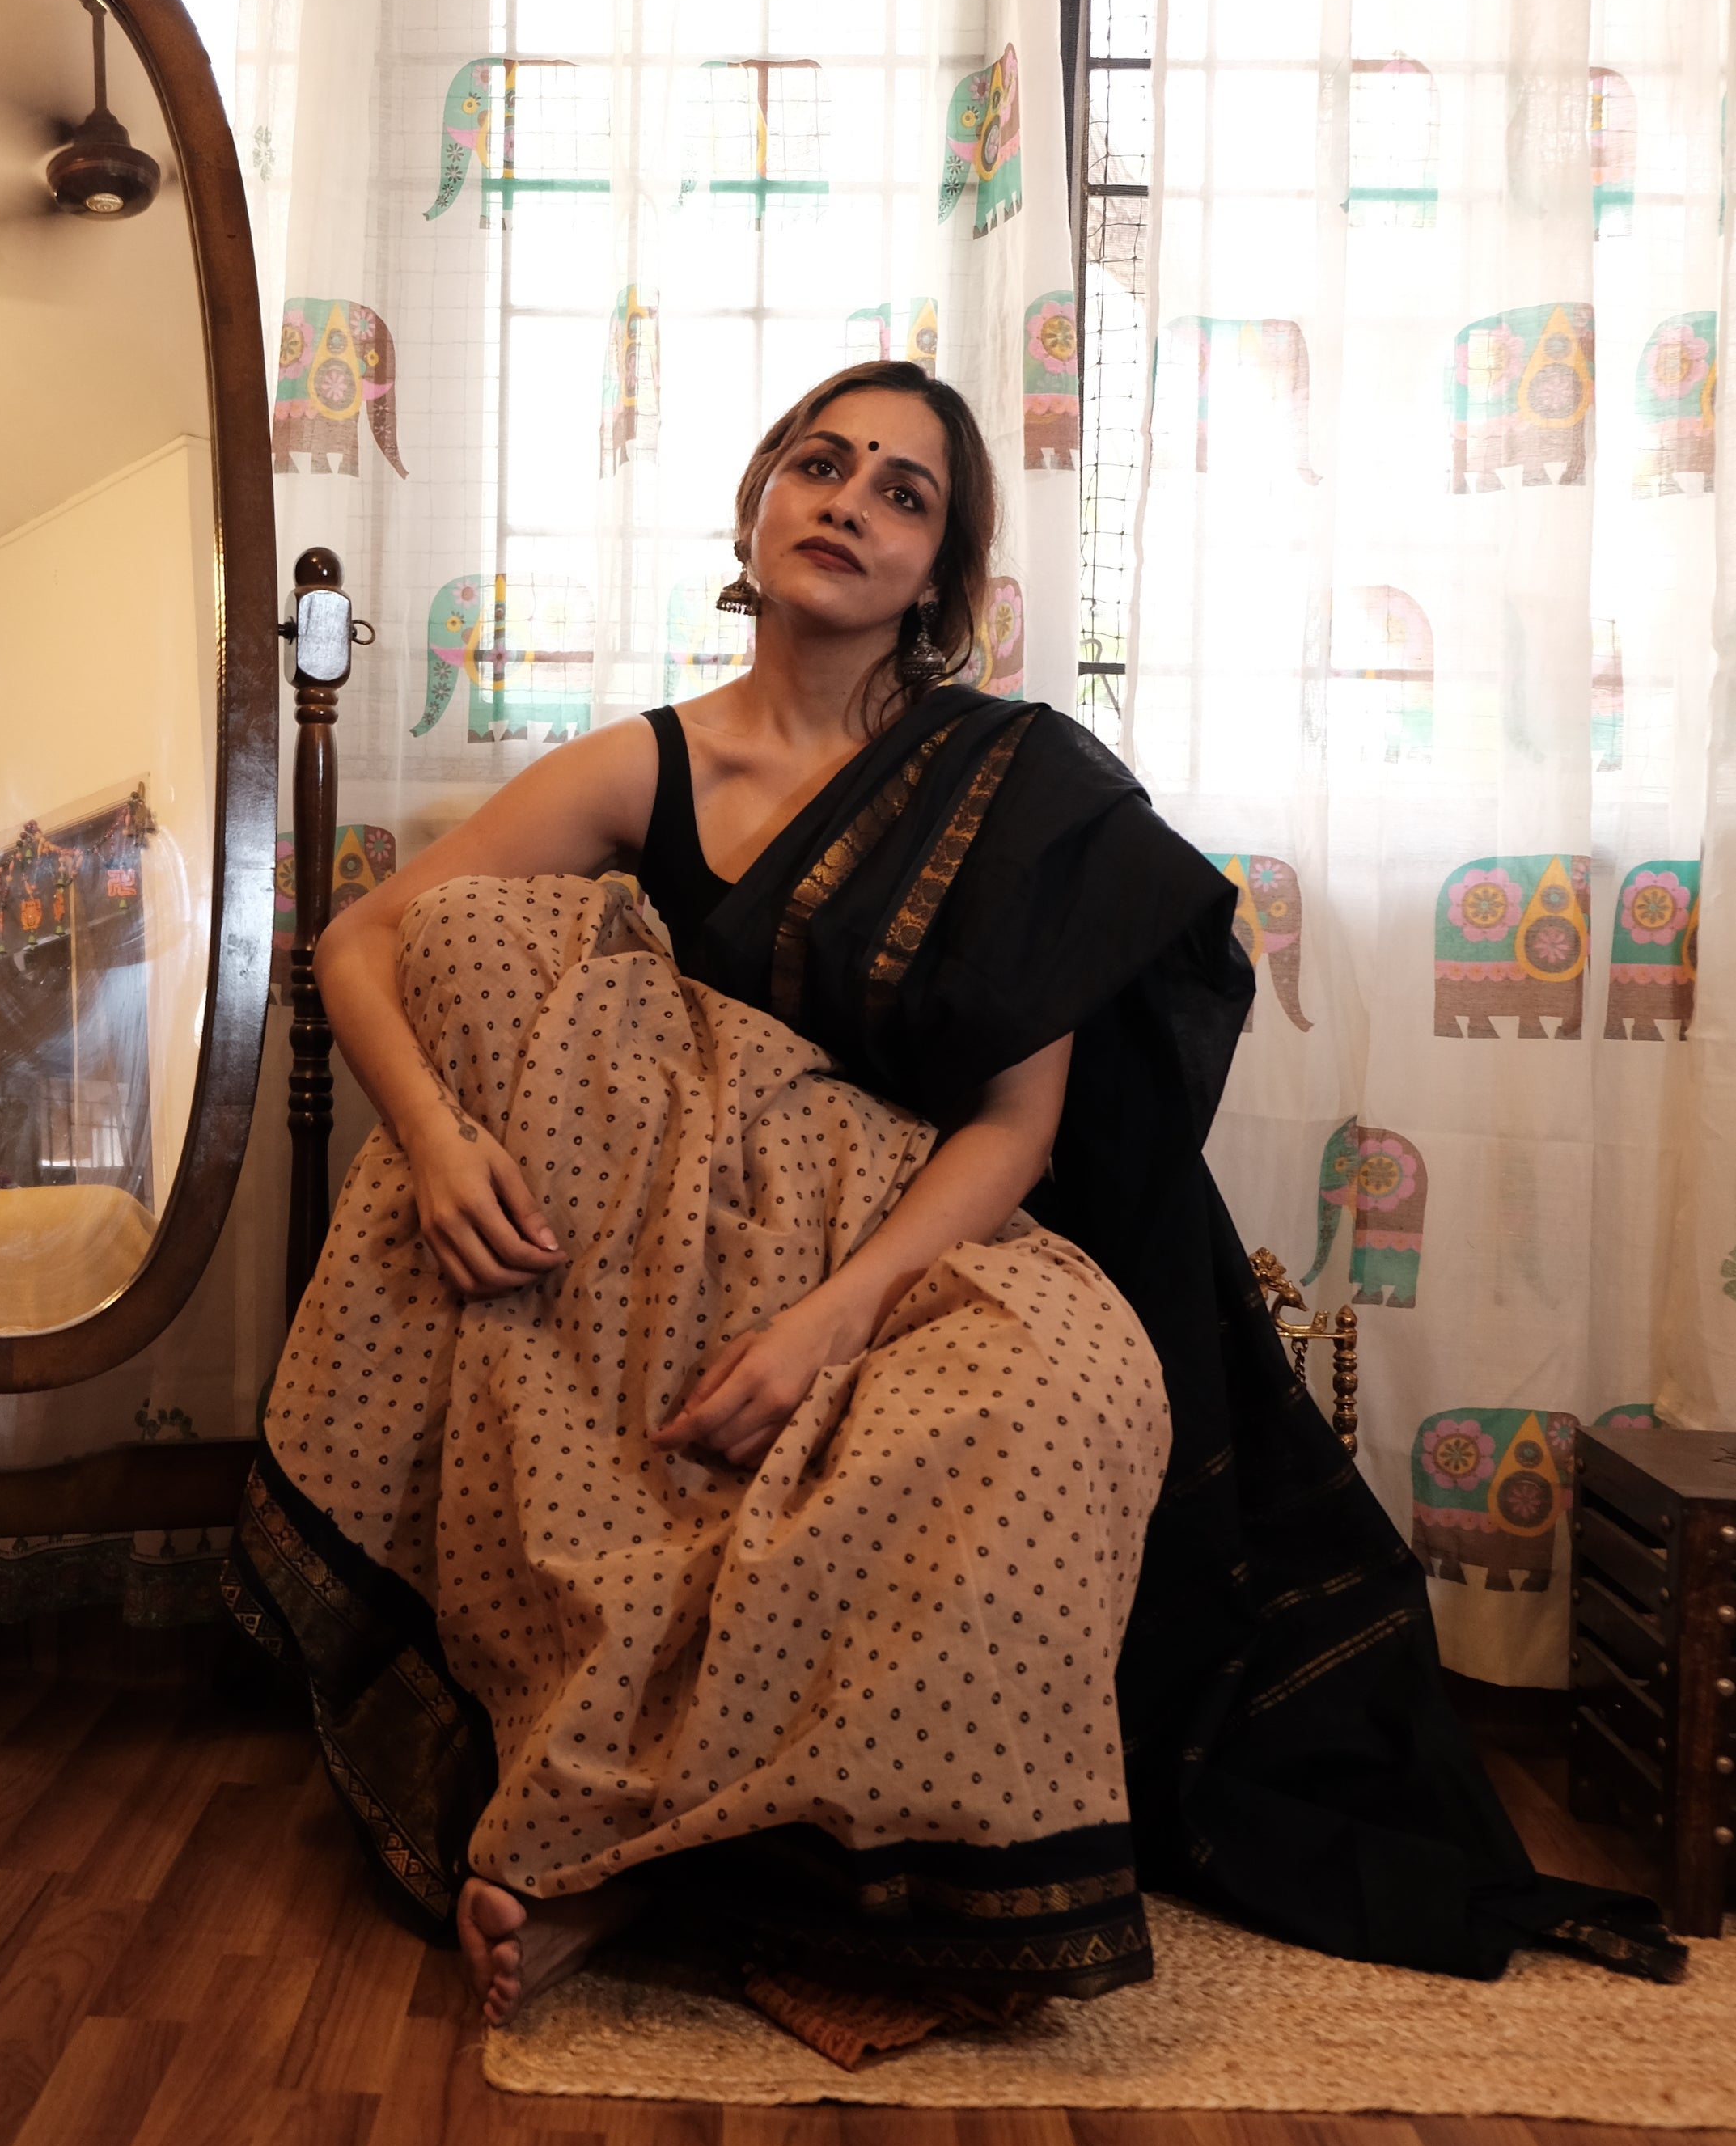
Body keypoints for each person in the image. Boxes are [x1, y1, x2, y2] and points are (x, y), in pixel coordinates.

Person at [225, 363, 1679, 2052]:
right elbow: (364, 938)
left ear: (937, 578)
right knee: (485, 934)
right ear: (756, 512)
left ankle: (640, 1877)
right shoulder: (649, 764)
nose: (850, 502)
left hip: (912, 1239)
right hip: (667, 1261)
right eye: (820, 465)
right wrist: (437, 1138)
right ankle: (648, 1858)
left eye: (901, 492)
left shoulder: (1006, 787)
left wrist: (830, 1319)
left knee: (1066, 1391)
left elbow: (1013, 1127)